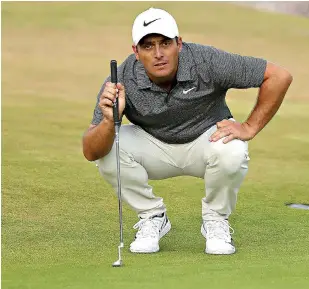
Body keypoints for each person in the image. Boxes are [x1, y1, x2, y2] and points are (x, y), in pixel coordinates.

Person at [82, 7, 292, 255]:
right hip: (153, 146)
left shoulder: (206, 61)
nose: (158, 54)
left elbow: (279, 76)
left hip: (206, 141)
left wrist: (250, 126)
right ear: (135, 52)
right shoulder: (122, 79)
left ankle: (215, 220)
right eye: (148, 46)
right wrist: (110, 119)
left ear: (179, 44)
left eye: (165, 43)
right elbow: (90, 151)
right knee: (109, 148)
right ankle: (152, 217)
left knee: (232, 150)